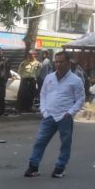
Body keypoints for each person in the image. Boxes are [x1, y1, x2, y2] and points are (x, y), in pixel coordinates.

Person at [24, 51, 86, 179]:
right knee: (40, 141)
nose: (58, 64)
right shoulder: (49, 77)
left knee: (65, 143)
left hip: (65, 117)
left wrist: (70, 113)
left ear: (68, 63)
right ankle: (33, 166)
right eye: (56, 61)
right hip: (49, 115)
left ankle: (59, 168)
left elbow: (80, 99)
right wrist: (44, 111)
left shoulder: (76, 80)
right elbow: (43, 94)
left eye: (61, 61)